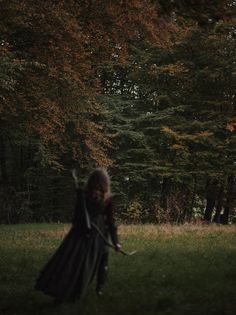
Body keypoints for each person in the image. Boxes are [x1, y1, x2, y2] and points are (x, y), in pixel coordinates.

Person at [35, 168, 121, 304]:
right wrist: (85, 222)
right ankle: (65, 294)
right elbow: (77, 218)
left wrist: (116, 242)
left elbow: (110, 223)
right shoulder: (84, 196)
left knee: (81, 265)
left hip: (95, 238)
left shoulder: (106, 200)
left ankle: (92, 290)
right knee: (72, 265)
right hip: (80, 235)